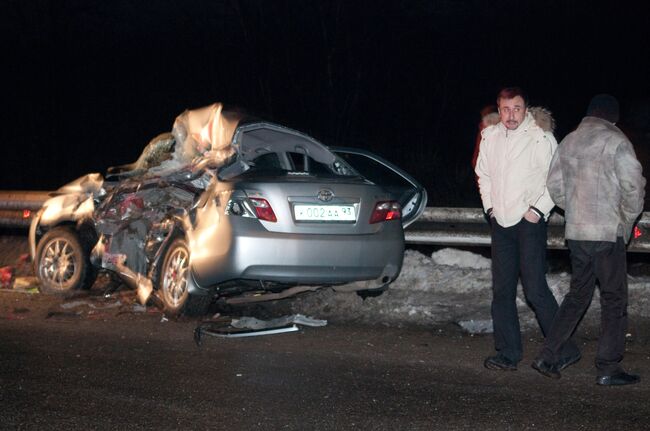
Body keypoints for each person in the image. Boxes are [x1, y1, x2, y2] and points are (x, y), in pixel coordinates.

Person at [532, 94, 646, 385]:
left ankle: (548, 354)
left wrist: (575, 211)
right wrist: (626, 219)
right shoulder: (616, 141)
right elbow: (633, 186)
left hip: (578, 233)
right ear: (613, 117)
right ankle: (608, 367)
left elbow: (554, 185)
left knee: (577, 295)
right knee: (614, 298)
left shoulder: (570, 140)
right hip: (607, 234)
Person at [475, 87, 580, 371]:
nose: (511, 115)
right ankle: (508, 353)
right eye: (506, 109)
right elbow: (483, 173)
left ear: (526, 109)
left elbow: (556, 179)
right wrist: (490, 208)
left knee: (535, 290)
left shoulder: (540, 138)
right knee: (502, 290)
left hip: (529, 222)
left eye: (517, 109)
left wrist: (537, 210)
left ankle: (564, 348)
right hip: (501, 221)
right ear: (499, 108)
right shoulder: (491, 136)